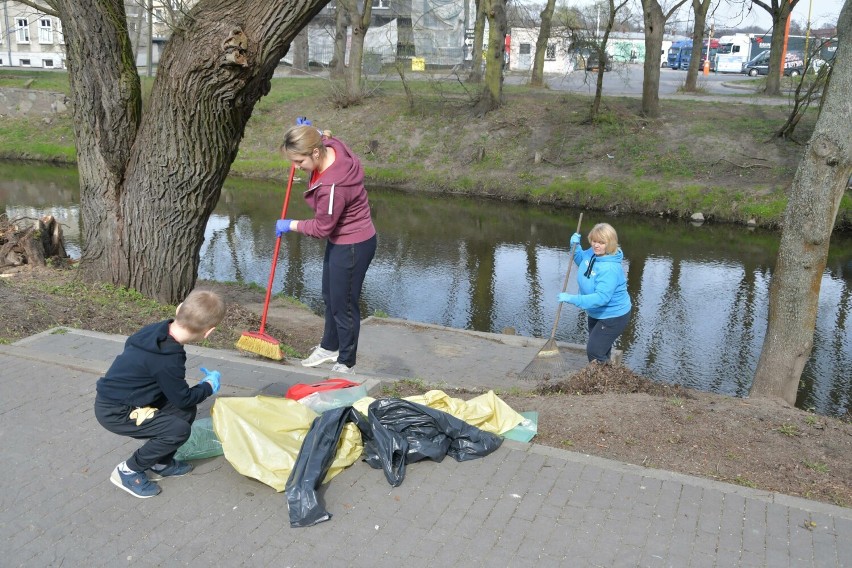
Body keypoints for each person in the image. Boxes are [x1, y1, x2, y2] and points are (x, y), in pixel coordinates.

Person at [94, 289, 226, 498]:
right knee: (178, 430)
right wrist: (208, 386)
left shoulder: (155, 331)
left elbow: (180, 399)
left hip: (129, 400)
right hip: (116, 411)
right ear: (209, 332)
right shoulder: (168, 358)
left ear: (179, 309)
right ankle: (128, 471)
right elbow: (182, 395)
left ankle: (160, 463)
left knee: (185, 410)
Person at [276, 121, 377, 375]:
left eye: (299, 161)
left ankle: (346, 362)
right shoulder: (330, 145)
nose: (296, 168)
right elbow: (329, 136)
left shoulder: (333, 187)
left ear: (316, 153)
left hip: (353, 243)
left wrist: (291, 224)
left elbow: (322, 228)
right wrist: (314, 130)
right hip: (342, 241)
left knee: (344, 305)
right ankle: (329, 346)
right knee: (330, 296)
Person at [557, 222, 632, 363]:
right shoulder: (594, 253)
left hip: (613, 315)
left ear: (610, 244)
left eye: (601, 242)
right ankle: (607, 378)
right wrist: (575, 246)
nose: (596, 245)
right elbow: (582, 261)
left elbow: (601, 298)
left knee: (595, 351)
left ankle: (600, 382)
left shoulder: (610, 268)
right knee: (601, 349)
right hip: (595, 311)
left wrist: (573, 299)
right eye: (594, 241)